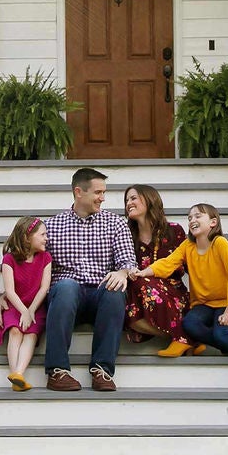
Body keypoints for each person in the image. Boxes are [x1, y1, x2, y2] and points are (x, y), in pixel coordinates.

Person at [140, 203, 228, 390]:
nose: (192, 220)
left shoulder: (219, 243)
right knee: (189, 324)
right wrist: (145, 272)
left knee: (221, 333)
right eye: (190, 217)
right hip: (204, 304)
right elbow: (168, 264)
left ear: (213, 222)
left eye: (198, 216)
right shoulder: (187, 246)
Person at [38, 167, 139, 393]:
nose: (103, 198)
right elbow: (32, 264)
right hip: (65, 299)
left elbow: (128, 262)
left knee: (115, 289)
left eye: (104, 192)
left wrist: (122, 273)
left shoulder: (115, 224)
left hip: (100, 296)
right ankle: (57, 372)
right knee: (66, 286)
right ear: (78, 192)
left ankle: (102, 370)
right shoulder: (52, 226)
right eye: (98, 192)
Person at [0, 217, 51, 391]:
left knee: (31, 334)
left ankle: (19, 373)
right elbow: (10, 291)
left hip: (36, 306)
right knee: (15, 331)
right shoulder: (9, 260)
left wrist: (31, 311)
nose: (46, 238)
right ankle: (15, 374)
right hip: (15, 305)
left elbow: (44, 288)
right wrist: (23, 312)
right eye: (42, 235)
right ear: (28, 237)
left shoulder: (45, 258)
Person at [122, 183, 189, 347]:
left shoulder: (174, 231)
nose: (128, 203)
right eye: (126, 200)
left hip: (173, 295)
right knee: (125, 314)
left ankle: (185, 338)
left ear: (149, 199)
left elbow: (193, 266)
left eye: (133, 198)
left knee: (140, 281)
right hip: (139, 298)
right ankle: (186, 337)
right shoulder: (126, 235)